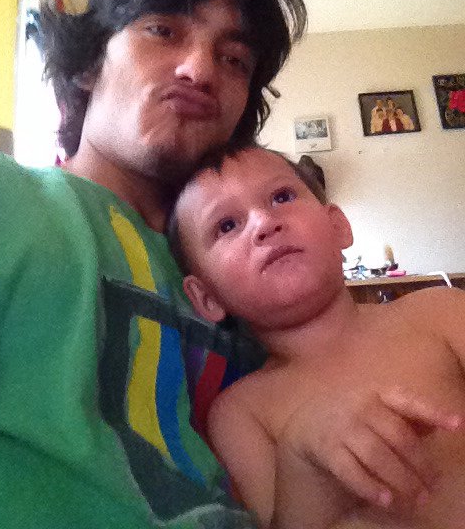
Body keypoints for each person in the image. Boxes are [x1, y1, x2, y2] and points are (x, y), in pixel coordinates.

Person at [0, 0, 306, 529]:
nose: (200, 70)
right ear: (88, 63)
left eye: (233, 59)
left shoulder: (257, 269)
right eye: (162, 30)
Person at [167, 144, 465, 529]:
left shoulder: (440, 310)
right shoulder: (241, 412)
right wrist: (301, 464)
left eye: (281, 197)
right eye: (226, 225)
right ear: (207, 297)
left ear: (338, 226)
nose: (263, 223)